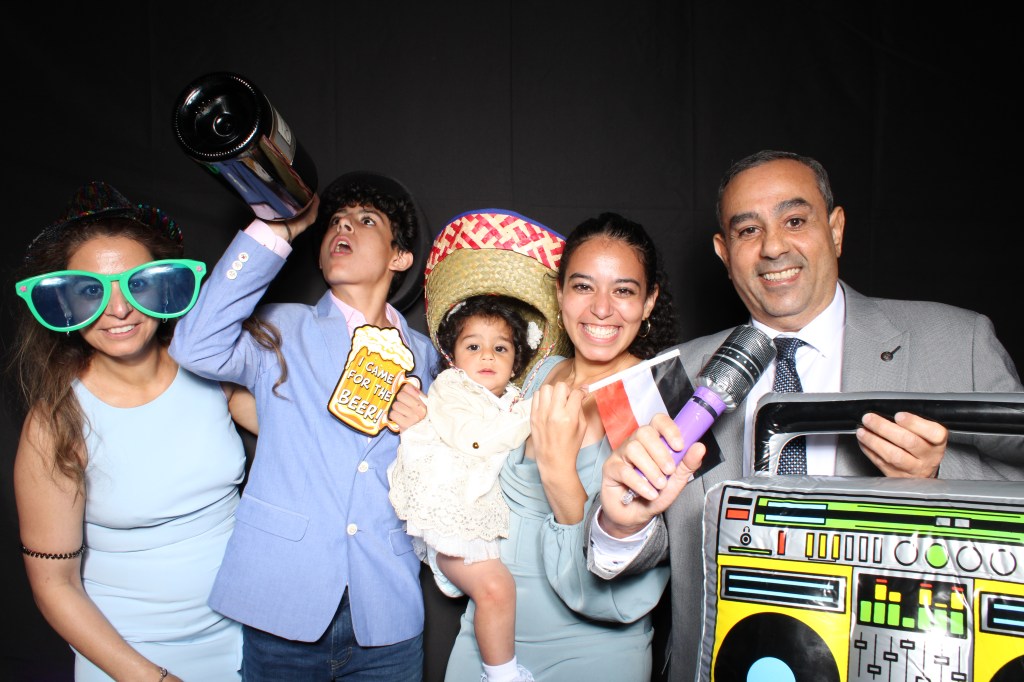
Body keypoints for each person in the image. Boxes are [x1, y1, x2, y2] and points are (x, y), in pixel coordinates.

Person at [587, 149, 1024, 681]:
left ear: (835, 230)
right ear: (724, 252)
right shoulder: (672, 376)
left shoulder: (959, 342)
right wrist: (620, 523)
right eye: (749, 230)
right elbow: (643, 550)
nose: (773, 246)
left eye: (795, 221)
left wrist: (936, 481)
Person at [168, 171, 438, 681]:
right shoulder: (280, 327)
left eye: (366, 220)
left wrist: (426, 433)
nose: (344, 227)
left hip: (386, 610)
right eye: (336, 221)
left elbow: (447, 475)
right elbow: (195, 347)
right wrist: (276, 230)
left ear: (399, 257)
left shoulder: (426, 357)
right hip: (282, 598)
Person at [11, 181, 252, 681]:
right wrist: (152, 679)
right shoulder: (56, 422)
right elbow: (54, 584)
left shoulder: (211, 372)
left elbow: (312, 434)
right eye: (90, 292)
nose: (118, 309)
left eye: (136, 285)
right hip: (130, 659)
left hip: (250, 642)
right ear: (63, 302)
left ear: (164, 286)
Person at [442, 211, 683, 680]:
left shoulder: (656, 399)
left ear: (649, 301)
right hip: (488, 641)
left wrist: (558, 470)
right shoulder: (536, 372)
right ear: (559, 293)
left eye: (624, 291)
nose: (601, 309)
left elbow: (619, 589)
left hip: (592, 652)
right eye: (583, 286)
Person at [389, 294, 537, 682]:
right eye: (473, 347)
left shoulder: (510, 399)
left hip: (474, 511)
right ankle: (502, 676)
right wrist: (533, 413)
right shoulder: (452, 389)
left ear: (515, 362)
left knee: (501, 589)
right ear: (453, 358)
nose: (487, 355)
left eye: (500, 348)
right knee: (497, 589)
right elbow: (476, 440)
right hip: (448, 512)